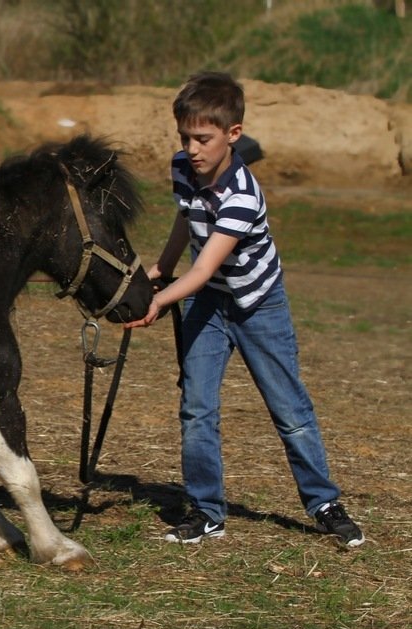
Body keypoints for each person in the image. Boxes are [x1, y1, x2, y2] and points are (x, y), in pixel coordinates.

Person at [125, 71, 364, 547]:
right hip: (208, 301)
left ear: (234, 134)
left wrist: (156, 300)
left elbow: (205, 265)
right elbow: (186, 218)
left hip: (258, 305)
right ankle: (206, 511)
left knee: (289, 409)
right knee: (196, 409)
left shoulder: (242, 195)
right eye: (185, 137)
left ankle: (324, 503)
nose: (192, 149)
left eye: (203, 138)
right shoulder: (181, 167)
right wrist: (161, 266)